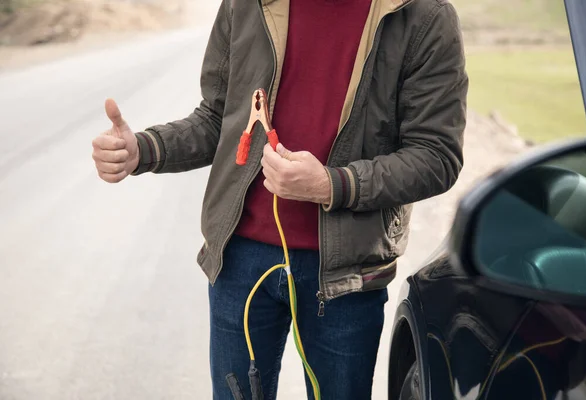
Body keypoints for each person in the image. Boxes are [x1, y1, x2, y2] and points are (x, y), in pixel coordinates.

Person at [91, 0, 468, 398]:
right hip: (240, 265)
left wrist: (331, 184)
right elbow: (219, 118)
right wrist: (144, 150)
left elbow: (436, 155)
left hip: (346, 276)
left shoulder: (424, 15)